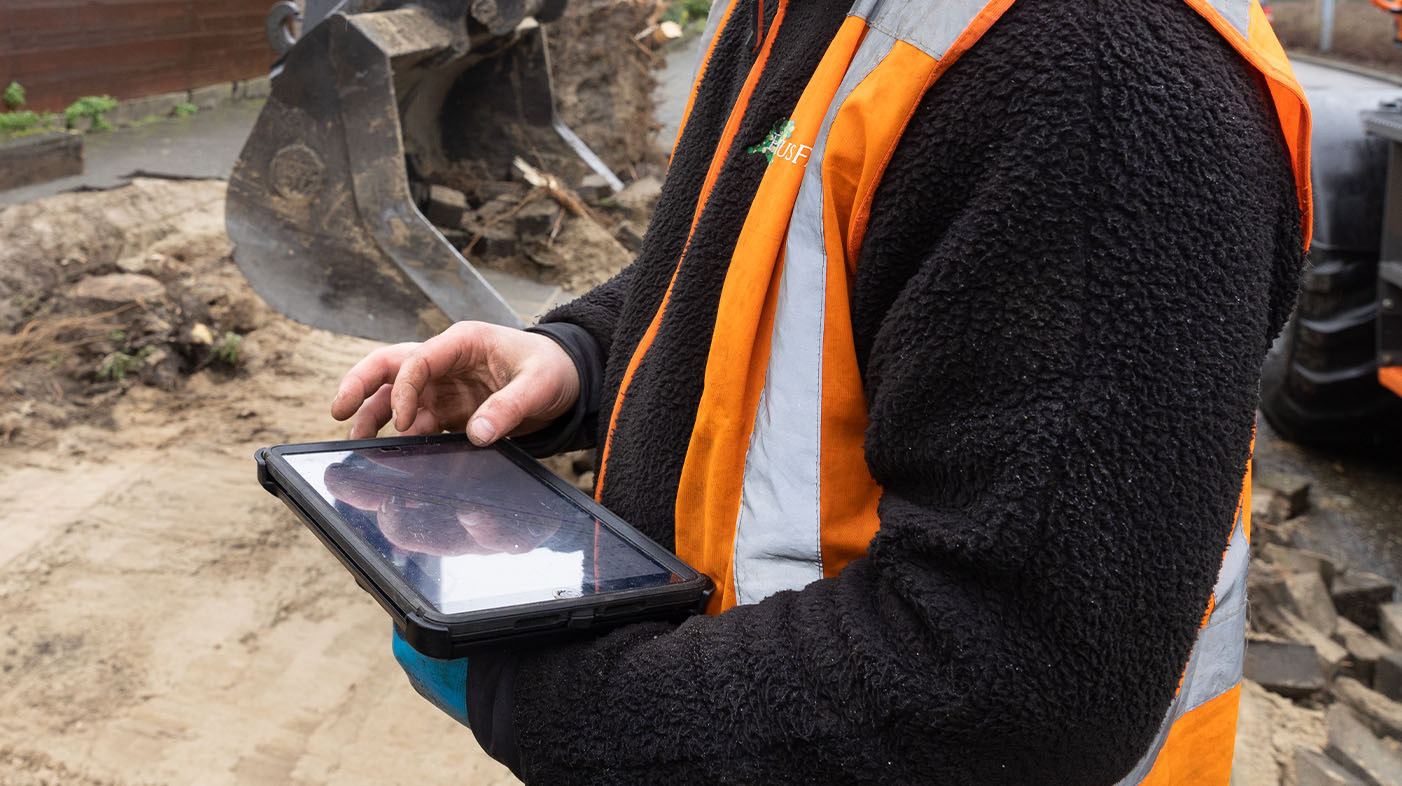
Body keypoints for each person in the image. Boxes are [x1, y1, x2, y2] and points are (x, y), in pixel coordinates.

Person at [330, 0, 1312, 782]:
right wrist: (582, 356)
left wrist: (545, 700)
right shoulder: (816, 14)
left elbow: (1009, 686)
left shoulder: (1095, 73)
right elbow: (777, 244)